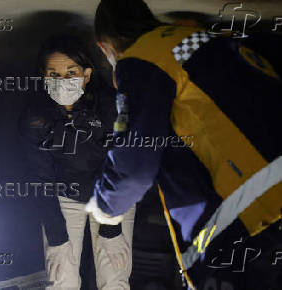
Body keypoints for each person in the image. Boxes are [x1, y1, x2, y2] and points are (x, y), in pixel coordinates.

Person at [87, 1, 282, 289]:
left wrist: (106, 207)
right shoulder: (206, 40)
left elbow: (135, 166)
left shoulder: (141, 60)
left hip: (259, 220)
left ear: (105, 48)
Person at [19, 34, 136, 289]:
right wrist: (57, 237)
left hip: (109, 196)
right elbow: (39, 178)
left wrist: (111, 229)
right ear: (44, 77)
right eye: (54, 74)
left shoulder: (110, 106)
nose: (63, 81)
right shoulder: (36, 116)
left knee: (114, 268)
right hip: (64, 194)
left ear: (86, 75)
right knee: (61, 273)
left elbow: (123, 165)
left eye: (71, 72)